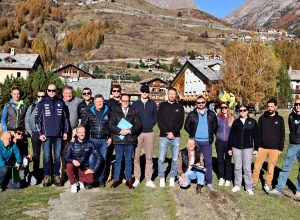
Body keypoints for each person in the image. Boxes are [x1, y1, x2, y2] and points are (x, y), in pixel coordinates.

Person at [35, 84, 69, 187]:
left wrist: (65, 132)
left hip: (58, 135)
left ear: (56, 91)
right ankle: (47, 176)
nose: (51, 92)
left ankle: (56, 176)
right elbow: (37, 120)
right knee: (47, 156)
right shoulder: (41, 103)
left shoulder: (61, 103)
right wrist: (40, 133)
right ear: (47, 91)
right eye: (49, 90)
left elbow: (66, 119)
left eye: (53, 90)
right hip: (46, 135)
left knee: (57, 157)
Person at [184, 95, 218, 190]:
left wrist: (209, 133)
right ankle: (197, 180)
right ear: (196, 104)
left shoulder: (211, 114)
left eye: (202, 102)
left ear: (205, 102)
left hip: (207, 141)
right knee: (195, 161)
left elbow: (215, 125)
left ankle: (209, 182)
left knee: (208, 162)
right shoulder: (192, 114)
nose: (201, 104)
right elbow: (186, 126)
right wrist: (192, 134)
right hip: (196, 141)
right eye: (199, 103)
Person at [109, 94, 142, 189]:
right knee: (118, 160)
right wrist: (120, 131)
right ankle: (116, 180)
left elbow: (138, 125)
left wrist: (130, 131)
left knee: (128, 160)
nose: (125, 102)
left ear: (129, 101)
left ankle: (128, 180)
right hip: (118, 140)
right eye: (123, 101)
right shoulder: (115, 111)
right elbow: (111, 125)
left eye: (127, 101)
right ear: (120, 101)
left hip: (130, 140)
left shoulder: (134, 111)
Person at [269, 99, 300, 199]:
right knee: (286, 166)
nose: (298, 106)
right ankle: (279, 189)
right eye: (296, 104)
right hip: (293, 145)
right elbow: (292, 129)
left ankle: (298, 191)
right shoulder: (291, 116)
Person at [252, 98, 285, 193]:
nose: (270, 108)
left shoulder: (280, 119)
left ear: (275, 107)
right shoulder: (262, 118)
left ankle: (267, 184)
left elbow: (282, 134)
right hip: (262, 148)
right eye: (268, 106)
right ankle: (253, 183)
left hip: (274, 149)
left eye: (272, 106)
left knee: (271, 168)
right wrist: (257, 147)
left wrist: (280, 148)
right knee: (257, 167)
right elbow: (258, 133)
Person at [228, 105, 259, 195]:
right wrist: (230, 148)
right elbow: (231, 135)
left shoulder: (252, 122)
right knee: (237, 167)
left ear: (247, 111)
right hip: (236, 147)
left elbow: (256, 136)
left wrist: (256, 148)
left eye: (244, 110)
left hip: (248, 148)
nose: (242, 112)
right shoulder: (236, 122)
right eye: (240, 110)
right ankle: (237, 185)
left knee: (247, 168)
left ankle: (248, 187)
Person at [82, 94, 111, 187]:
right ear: (94, 103)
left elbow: (112, 126)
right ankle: (90, 180)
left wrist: (111, 137)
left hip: (104, 140)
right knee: (91, 160)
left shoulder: (108, 111)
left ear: (103, 102)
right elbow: (84, 124)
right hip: (92, 139)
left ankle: (101, 180)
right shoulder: (89, 111)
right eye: (97, 101)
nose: (99, 103)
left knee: (103, 160)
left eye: (101, 101)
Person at [157, 87, 184, 187]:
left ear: (176, 95)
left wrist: (173, 133)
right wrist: (167, 132)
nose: (172, 95)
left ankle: (172, 177)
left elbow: (180, 123)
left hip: (175, 137)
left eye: (173, 94)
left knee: (175, 159)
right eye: (170, 93)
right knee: (161, 158)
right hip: (163, 137)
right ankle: (162, 178)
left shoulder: (180, 107)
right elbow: (159, 121)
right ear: (167, 94)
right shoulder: (162, 106)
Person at [132, 84, 157, 188]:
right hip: (137, 133)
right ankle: (137, 178)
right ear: (140, 92)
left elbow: (155, 117)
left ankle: (148, 179)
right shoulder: (135, 104)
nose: (145, 93)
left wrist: (150, 125)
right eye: (143, 91)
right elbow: (132, 117)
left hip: (149, 133)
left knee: (149, 157)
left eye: (146, 91)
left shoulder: (152, 104)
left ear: (148, 93)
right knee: (136, 157)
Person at [65, 126, 101, 193]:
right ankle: (73, 184)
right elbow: (66, 157)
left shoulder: (90, 143)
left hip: (83, 167)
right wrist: (73, 160)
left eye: (83, 132)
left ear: (85, 133)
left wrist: (93, 170)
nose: (82, 134)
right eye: (80, 132)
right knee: (68, 166)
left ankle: (79, 180)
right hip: (73, 166)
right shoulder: (71, 144)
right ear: (77, 134)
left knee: (90, 180)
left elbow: (99, 157)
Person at [61, 86, 82, 181]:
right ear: (63, 94)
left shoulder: (77, 100)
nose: (68, 95)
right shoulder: (59, 102)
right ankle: (62, 174)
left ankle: (75, 174)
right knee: (63, 153)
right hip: (63, 131)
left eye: (70, 93)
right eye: (66, 93)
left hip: (74, 130)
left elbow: (88, 101)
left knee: (75, 152)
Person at [25, 90, 45, 177]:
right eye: (39, 96)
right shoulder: (32, 106)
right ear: (36, 97)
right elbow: (27, 120)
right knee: (36, 154)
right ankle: (36, 173)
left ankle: (46, 172)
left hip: (45, 133)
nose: (41, 98)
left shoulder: (48, 106)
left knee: (47, 154)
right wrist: (30, 132)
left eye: (43, 96)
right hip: (34, 133)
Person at [215, 102, 234, 187]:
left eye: (225, 107)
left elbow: (234, 131)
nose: (223, 109)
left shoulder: (232, 118)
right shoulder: (218, 118)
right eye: (222, 108)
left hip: (229, 143)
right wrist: (218, 135)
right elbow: (214, 129)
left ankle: (228, 179)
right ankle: (221, 177)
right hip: (219, 142)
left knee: (228, 161)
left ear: (228, 108)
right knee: (220, 160)